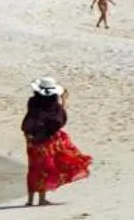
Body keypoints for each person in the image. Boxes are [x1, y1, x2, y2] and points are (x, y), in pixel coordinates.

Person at [21, 77, 91, 206]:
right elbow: (60, 120)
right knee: (45, 167)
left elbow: (34, 119)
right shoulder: (53, 106)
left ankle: (30, 200)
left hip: (32, 138)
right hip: (46, 140)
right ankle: (41, 199)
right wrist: (64, 100)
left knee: (34, 168)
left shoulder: (32, 102)